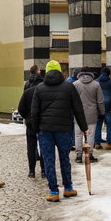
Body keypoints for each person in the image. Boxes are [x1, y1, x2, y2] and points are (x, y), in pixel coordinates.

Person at [29, 60, 88, 202]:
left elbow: (34, 112)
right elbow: (78, 108)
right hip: (64, 129)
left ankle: (53, 191)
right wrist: (84, 127)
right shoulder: (69, 87)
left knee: (48, 160)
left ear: (46, 71)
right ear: (60, 71)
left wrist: (36, 129)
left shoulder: (40, 88)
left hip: (45, 130)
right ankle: (68, 188)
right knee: (64, 158)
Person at [73, 67, 104, 164]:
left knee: (78, 135)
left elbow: (72, 100)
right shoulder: (96, 84)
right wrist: (102, 112)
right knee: (90, 135)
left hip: (78, 114)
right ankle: (89, 154)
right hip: (92, 114)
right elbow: (100, 101)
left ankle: (78, 155)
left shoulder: (75, 84)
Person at [18, 70, 45, 178]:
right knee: (43, 146)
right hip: (43, 123)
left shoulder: (27, 92)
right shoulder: (44, 91)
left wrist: (27, 117)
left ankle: (32, 171)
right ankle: (43, 170)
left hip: (30, 123)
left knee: (31, 146)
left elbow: (21, 108)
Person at [94, 67, 111, 150]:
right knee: (110, 123)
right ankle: (109, 143)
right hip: (108, 105)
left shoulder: (96, 82)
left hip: (98, 105)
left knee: (98, 124)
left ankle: (97, 143)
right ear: (108, 74)